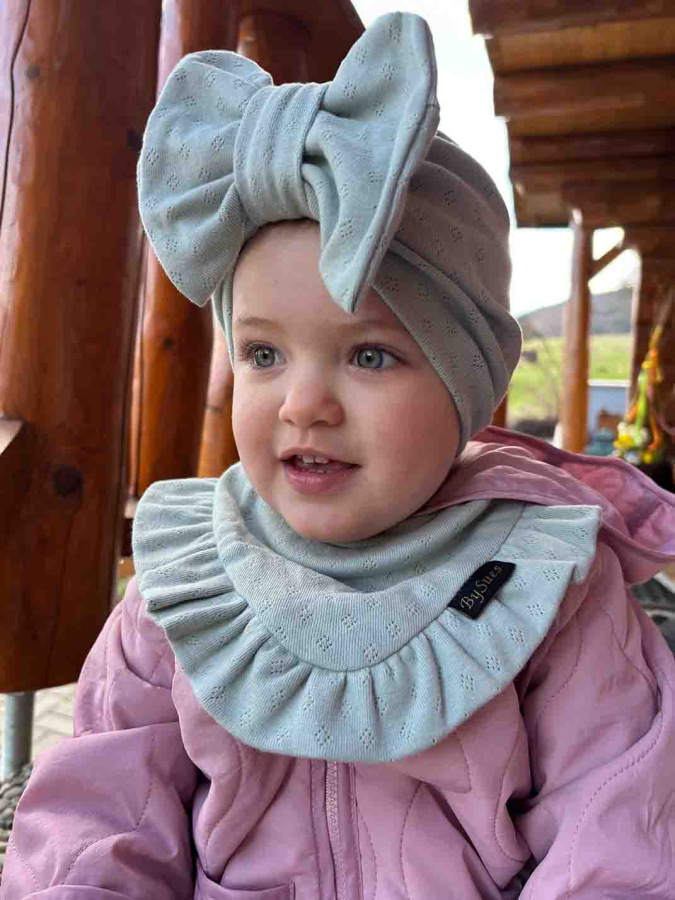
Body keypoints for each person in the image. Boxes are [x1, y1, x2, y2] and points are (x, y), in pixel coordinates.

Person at [3, 12, 675, 900]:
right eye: (262, 353)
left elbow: (619, 831)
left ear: (464, 384)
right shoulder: (184, 587)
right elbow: (98, 816)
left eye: (369, 356)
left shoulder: (548, 587)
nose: (302, 404)